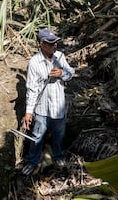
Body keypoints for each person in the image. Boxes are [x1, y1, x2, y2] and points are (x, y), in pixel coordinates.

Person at [21, 28, 75, 175]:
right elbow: (31, 89)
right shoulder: (34, 63)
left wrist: (62, 73)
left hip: (59, 106)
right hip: (42, 108)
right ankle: (32, 162)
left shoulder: (60, 57)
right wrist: (28, 112)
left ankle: (58, 157)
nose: (54, 46)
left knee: (59, 135)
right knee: (37, 137)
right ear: (42, 44)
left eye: (55, 43)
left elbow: (71, 72)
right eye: (50, 43)